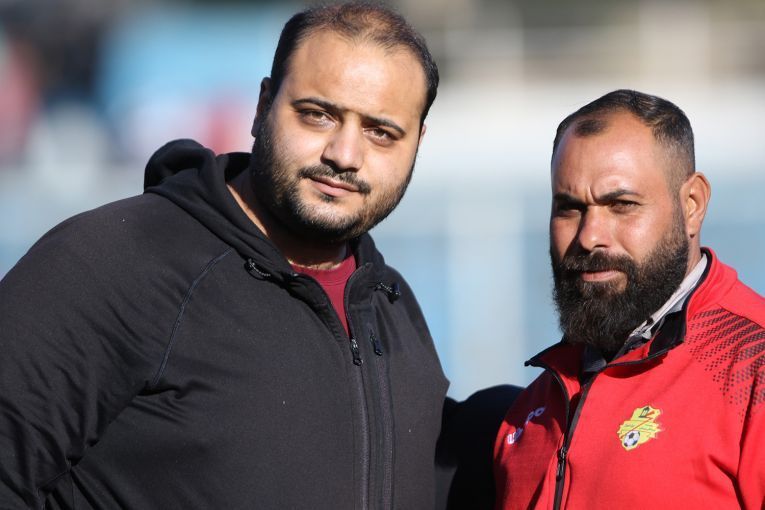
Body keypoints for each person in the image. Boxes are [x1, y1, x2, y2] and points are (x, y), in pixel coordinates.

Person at [0, 3, 450, 508]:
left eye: (380, 132)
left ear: (417, 143)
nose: (344, 155)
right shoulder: (116, 263)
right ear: (262, 106)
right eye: (318, 115)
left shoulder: (389, 304)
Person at [494, 89, 765, 509]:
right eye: (569, 208)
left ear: (692, 205)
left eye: (621, 204)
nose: (589, 237)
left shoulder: (752, 365)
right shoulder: (529, 413)